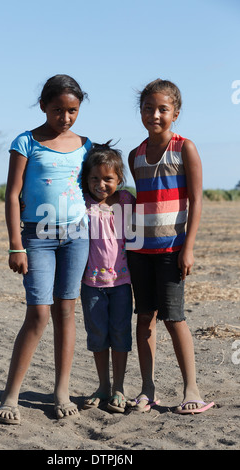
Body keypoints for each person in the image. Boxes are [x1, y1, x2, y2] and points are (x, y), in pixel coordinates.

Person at [0, 74, 92, 424]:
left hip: (78, 236)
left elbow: (95, 190)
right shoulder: (25, 142)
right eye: (57, 110)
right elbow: (11, 195)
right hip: (37, 237)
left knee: (67, 312)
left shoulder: (86, 144)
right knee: (38, 314)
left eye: (72, 111)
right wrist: (14, 246)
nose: (65, 118)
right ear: (43, 106)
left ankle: (61, 391)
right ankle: (10, 395)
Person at [126, 79, 214, 414]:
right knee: (144, 317)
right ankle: (147, 389)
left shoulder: (184, 148)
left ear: (175, 113)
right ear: (141, 112)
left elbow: (196, 200)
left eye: (163, 109)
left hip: (171, 249)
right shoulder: (135, 155)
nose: (155, 115)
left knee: (174, 318)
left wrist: (187, 248)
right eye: (148, 108)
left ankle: (191, 389)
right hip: (139, 251)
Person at [80, 142, 135, 413]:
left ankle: (119, 389)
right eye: (94, 178)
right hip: (91, 285)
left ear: (119, 180)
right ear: (86, 179)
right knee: (98, 334)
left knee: (120, 334)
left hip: (122, 284)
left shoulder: (125, 201)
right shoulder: (81, 203)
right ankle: (103, 385)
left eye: (108, 178)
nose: (100, 184)